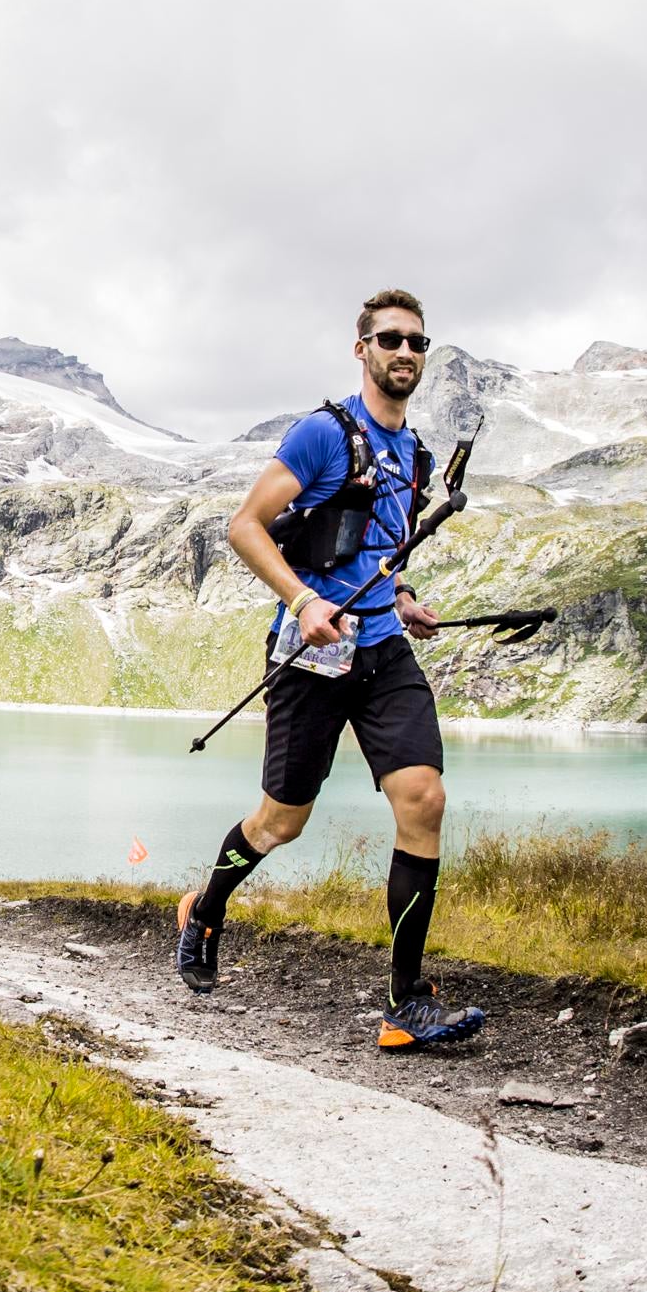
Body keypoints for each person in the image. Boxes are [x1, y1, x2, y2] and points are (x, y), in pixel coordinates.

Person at [176, 288, 484, 1050]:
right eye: (390, 339)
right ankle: (206, 908)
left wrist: (404, 596)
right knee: (282, 821)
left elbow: (382, 549)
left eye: (417, 341)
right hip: (310, 654)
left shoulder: (414, 457)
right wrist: (305, 601)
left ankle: (404, 1004)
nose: (405, 352)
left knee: (425, 800)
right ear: (363, 350)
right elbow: (244, 528)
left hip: (383, 650)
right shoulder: (322, 434)